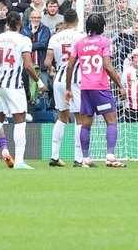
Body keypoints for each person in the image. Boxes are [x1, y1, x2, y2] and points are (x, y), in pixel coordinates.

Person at [0, 11, 43, 169]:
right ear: (19, 23)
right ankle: (19, 161)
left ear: (7, 24)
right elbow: (28, 66)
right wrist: (40, 82)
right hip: (14, 86)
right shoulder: (24, 40)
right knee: (20, 121)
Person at [67, 12, 125, 168]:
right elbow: (107, 65)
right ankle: (110, 157)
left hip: (85, 88)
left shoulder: (79, 43)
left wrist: (68, 88)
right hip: (100, 87)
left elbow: (70, 66)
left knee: (86, 124)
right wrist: (120, 85)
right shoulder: (104, 42)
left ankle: (85, 159)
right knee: (111, 121)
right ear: (102, 26)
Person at [45, 9, 85, 166]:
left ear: (65, 20)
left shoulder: (55, 37)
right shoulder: (81, 36)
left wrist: (50, 70)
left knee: (62, 117)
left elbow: (48, 62)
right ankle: (78, 158)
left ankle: (54, 156)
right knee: (80, 118)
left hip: (58, 80)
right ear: (77, 20)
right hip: (74, 80)